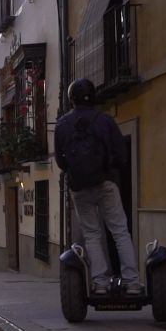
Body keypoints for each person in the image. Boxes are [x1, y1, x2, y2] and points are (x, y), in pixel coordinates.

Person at [54, 78, 141, 295]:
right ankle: (132, 282)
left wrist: (75, 173)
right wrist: (110, 171)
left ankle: (100, 283)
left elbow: (60, 161)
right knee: (120, 232)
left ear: (71, 99)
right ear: (93, 97)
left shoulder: (62, 124)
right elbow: (122, 154)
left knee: (92, 234)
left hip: (80, 188)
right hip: (105, 183)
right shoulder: (105, 121)